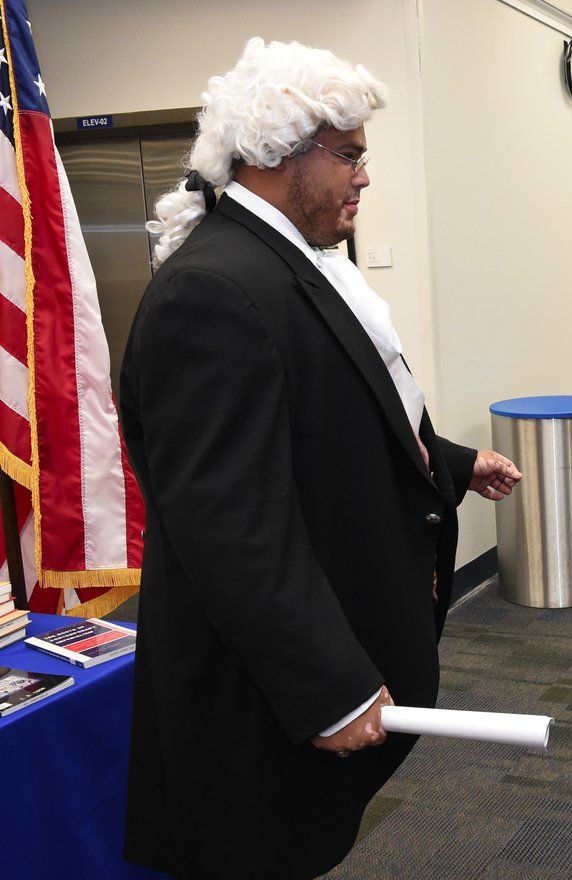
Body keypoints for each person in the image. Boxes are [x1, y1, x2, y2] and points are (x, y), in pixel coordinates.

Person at [119, 38, 521, 880]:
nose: (363, 177)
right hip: (255, 704)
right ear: (275, 152)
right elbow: (230, 521)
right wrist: (328, 686)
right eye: (349, 156)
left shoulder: (291, 268)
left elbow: (330, 425)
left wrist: (446, 463)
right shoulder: (216, 289)